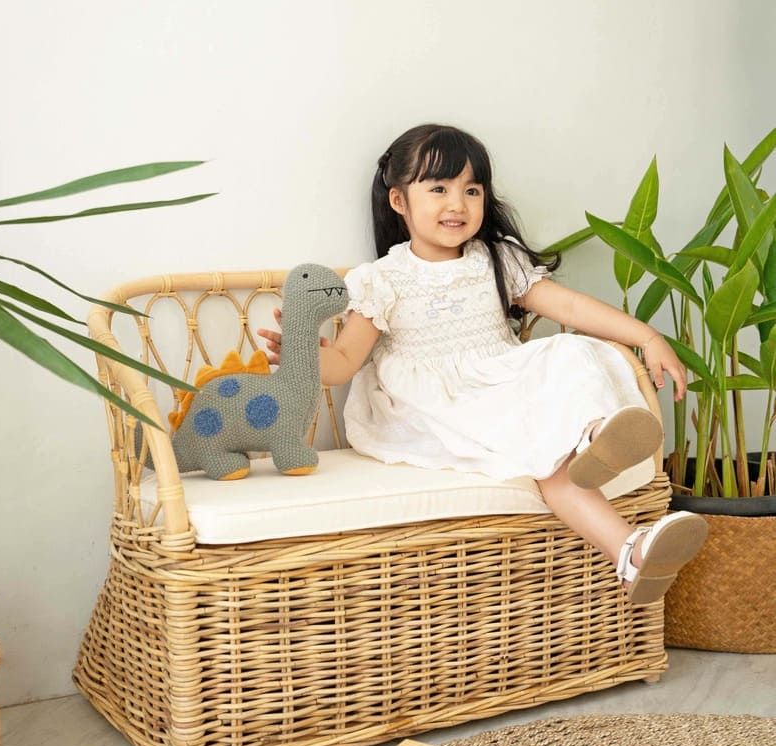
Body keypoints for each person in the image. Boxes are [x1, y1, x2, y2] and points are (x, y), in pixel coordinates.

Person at [258, 123, 707, 604]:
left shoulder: (496, 259)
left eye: (472, 190)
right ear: (398, 201)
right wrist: (305, 355)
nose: (458, 203)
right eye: (439, 189)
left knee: (571, 353)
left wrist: (646, 336)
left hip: (502, 383)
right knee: (543, 451)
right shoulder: (383, 279)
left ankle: (607, 475)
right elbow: (345, 361)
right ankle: (623, 533)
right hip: (436, 407)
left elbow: (570, 308)